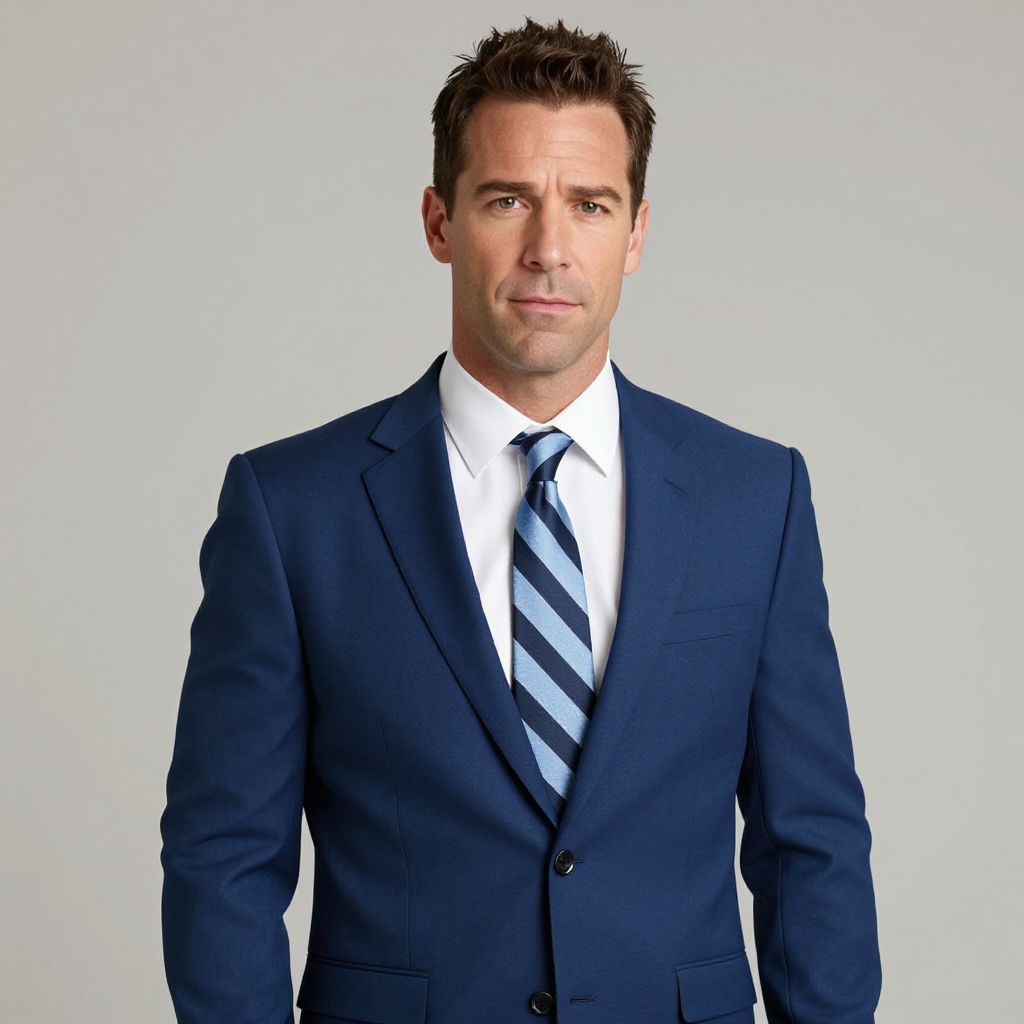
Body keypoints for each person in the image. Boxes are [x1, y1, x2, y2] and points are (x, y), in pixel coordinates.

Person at [159, 16, 881, 1024]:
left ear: (635, 233)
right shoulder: (292, 511)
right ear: (439, 222)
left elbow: (812, 844)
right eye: (507, 200)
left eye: (589, 204)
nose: (549, 249)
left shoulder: (754, 499)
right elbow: (223, 856)